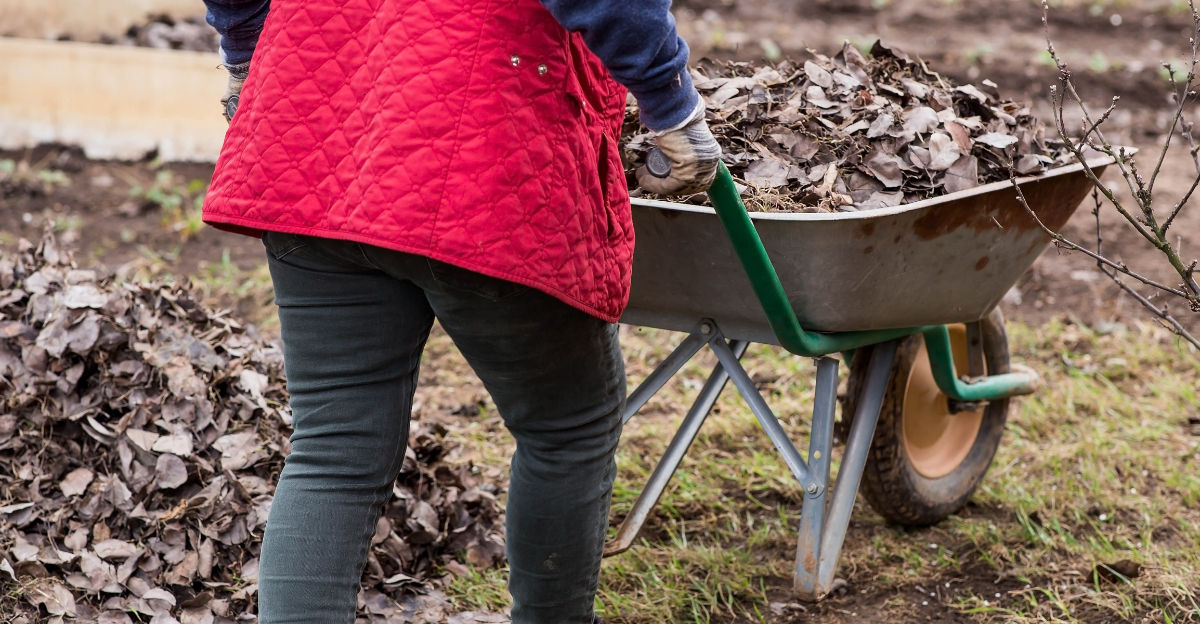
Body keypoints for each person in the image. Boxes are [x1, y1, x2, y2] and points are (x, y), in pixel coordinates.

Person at [199, 0, 719, 622]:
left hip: (316, 128)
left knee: (335, 448)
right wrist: (669, 99)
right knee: (567, 427)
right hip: (482, 144)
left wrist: (247, 47)